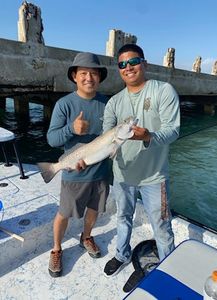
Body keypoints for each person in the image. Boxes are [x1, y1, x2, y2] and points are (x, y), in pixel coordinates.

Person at [103, 44, 180, 277]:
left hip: (154, 176)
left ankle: (169, 270)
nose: (128, 67)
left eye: (134, 61)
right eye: (122, 64)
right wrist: (84, 157)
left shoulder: (163, 91)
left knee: (162, 227)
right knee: (123, 217)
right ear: (119, 70)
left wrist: (148, 136)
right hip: (123, 175)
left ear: (144, 64)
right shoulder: (114, 102)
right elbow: (106, 136)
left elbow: (173, 130)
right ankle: (121, 254)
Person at [47, 52, 110, 277]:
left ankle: (87, 236)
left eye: (94, 73)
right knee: (64, 212)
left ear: (99, 77)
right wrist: (71, 129)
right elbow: (52, 139)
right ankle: (56, 249)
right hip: (74, 173)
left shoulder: (108, 103)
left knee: (94, 209)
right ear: (74, 76)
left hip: (102, 172)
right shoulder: (64, 104)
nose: (89, 78)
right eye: (83, 73)